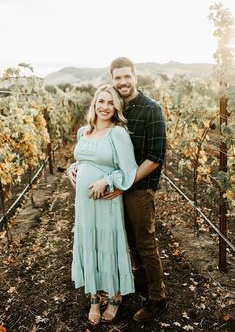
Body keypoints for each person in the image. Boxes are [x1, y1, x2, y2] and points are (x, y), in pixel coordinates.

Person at [102, 57, 167, 322]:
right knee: (129, 240)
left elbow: (155, 157)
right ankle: (142, 282)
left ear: (135, 76)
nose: (122, 82)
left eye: (126, 76)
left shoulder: (151, 109)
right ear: (112, 79)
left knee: (145, 242)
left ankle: (157, 298)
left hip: (140, 189)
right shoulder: (114, 108)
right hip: (119, 186)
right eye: (117, 78)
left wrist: (126, 182)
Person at [70, 84, 138, 325]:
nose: (105, 107)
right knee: (89, 242)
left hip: (107, 201)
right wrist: (72, 170)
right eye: (101, 101)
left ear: (116, 107)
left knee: (108, 243)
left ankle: (115, 297)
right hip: (84, 205)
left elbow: (129, 170)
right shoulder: (83, 132)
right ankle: (93, 297)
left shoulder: (117, 133)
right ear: (94, 104)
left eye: (110, 103)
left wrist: (107, 180)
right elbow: (80, 160)